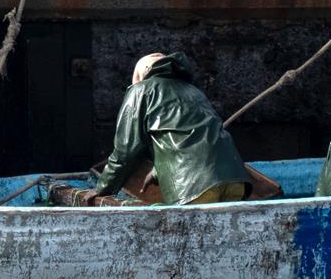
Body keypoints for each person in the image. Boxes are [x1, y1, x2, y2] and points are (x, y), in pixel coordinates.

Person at [90, 51, 250, 205]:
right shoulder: (194, 91)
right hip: (235, 180)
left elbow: (125, 150)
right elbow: (189, 135)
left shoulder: (141, 90)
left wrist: (102, 188)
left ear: (141, 74)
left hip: (194, 185)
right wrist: (157, 171)